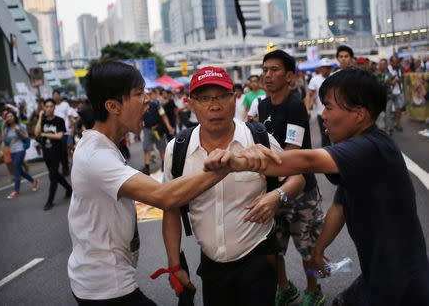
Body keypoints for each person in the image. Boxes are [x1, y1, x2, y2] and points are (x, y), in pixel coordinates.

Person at [205, 68, 429, 306]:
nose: (323, 115)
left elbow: (309, 160)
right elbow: (340, 205)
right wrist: (318, 250)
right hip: (378, 274)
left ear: (360, 114)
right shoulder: (358, 155)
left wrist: (241, 161)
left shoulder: (372, 147)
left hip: (402, 282)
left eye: (329, 107)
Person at [68, 61, 231, 306]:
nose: (148, 100)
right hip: (105, 288)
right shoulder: (96, 156)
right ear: (113, 106)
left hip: (103, 281)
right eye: (138, 94)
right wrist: (225, 167)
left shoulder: (103, 147)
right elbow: (165, 196)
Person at [162, 66, 305, 306]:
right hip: (211, 264)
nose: (214, 106)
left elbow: (297, 177)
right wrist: (174, 264)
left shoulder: (258, 137)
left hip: (258, 256)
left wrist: (277, 196)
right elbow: (171, 207)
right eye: (204, 98)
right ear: (191, 104)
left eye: (221, 96)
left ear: (235, 98)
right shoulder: (177, 149)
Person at [259, 50, 325, 305]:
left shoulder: (295, 106)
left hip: (301, 191)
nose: (267, 75)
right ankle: (284, 287)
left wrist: (260, 162)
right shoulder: (262, 105)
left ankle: (313, 288)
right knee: (273, 250)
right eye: (265, 70)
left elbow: (292, 153)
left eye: (274, 70)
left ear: (289, 76)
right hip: (273, 191)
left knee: (307, 249)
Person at [34, 99, 72, 211]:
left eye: (51, 106)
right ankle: (69, 189)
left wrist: (45, 134)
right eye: (47, 106)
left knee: (53, 176)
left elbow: (60, 136)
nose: (49, 108)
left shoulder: (59, 120)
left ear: (54, 108)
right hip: (46, 152)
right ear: (44, 108)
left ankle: (49, 201)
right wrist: (40, 117)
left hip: (57, 152)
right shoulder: (43, 120)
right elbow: (36, 133)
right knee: (55, 174)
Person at [2, 111, 38, 199]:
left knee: (15, 169)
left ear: (14, 117)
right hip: (12, 151)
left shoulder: (21, 126)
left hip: (20, 149)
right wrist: (3, 127)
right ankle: (34, 180)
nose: (9, 118)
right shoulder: (7, 129)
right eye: (7, 117)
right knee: (19, 170)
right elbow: (4, 139)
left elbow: (27, 137)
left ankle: (16, 191)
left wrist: (19, 132)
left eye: (11, 116)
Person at [141, 89, 174, 175]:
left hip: (157, 129)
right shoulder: (141, 106)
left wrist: (168, 126)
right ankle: (147, 167)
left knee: (162, 148)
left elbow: (163, 115)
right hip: (147, 129)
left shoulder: (156, 105)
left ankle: (164, 166)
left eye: (148, 94)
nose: (146, 96)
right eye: (145, 94)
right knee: (146, 148)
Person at [305, 58, 333, 147]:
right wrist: (307, 109)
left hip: (335, 112)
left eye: (328, 67)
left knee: (336, 134)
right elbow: (309, 94)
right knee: (325, 135)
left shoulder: (334, 78)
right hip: (321, 113)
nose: (326, 69)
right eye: (324, 67)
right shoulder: (315, 80)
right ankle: (326, 156)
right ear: (320, 68)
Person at [53, 90, 70, 175]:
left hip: (65, 131)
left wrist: (71, 127)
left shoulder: (65, 104)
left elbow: (69, 115)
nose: (55, 97)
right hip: (55, 132)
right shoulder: (52, 106)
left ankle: (65, 169)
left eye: (57, 95)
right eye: (54, 95)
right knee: (58, 151)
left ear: (59, 96)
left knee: (63, 151)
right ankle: (61, 167)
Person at [375, 58, 394, 135]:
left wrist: (390, 82)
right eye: (380, 64)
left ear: (386, 65)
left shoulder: (389, 74)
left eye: (383, 64)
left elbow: (394, 83)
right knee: (380, 115)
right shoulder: (375, 74)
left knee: (388, 114)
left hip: (388, 97)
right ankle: (382, 131)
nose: (382, 65)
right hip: (378, 98)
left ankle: (388, 130)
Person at [389, 55, 405, 132]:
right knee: (390, 109)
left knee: (399, 108)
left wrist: (400, 81)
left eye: (397, 62)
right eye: (394, 62)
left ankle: (397, 123)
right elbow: (385, 79)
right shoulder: (387, 70)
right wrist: (393, 82)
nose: (395, 63)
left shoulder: (399, 69)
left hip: (398, 91)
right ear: (391, 62)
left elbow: (401, 79)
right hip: (390, 92)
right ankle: (389, 126)